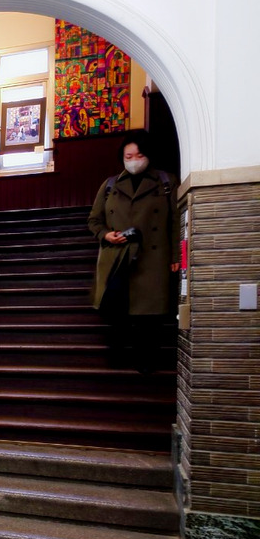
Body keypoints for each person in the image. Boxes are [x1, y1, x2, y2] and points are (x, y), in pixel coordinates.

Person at [88, 129, 180, 372]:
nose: (134, 161)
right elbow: (94, 220)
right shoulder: (110, 185)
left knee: (148, 315)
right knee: (116, 310)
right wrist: (106, 234)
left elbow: (176, 222)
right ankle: (117, 360)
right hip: (117, 257)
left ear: (148, 155)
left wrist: (176, 256)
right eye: (128, 156)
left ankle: (146, 363)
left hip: (152, 256)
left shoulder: (166, 182)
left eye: (139, 155)